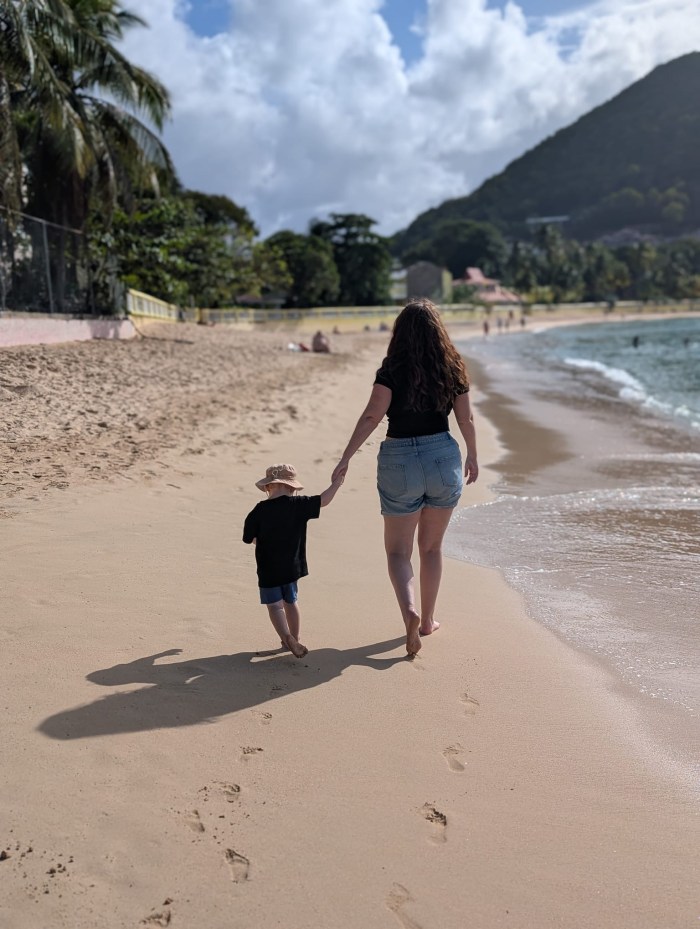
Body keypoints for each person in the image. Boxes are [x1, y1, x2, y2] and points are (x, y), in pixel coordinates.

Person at [331, 300, 478, 658]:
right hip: (443, 457)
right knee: (431, 548)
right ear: (437, 332)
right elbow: (466, 419)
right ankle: (427, 621)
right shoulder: (452, 367)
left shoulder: (392, 369)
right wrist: (473, 455)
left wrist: (346, 456)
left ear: (401, 333)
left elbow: (371, 416)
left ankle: (408, 611)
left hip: (400, 460)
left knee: (398, 551)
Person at [243, 464, 343, 658]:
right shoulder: (299, 505)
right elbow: (324, 500)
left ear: (268, 487)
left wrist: (262, 541)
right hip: (292, 567)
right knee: (291, 602)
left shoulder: (259, 510)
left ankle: (286, 637)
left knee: (275, 606)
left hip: (268, 568)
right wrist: (337, 483)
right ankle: (294, 638)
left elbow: (249, 537)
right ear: (291, 488)